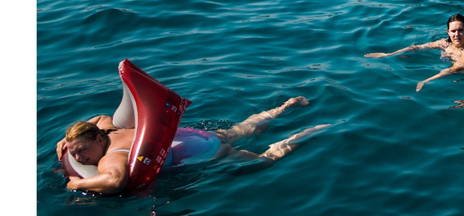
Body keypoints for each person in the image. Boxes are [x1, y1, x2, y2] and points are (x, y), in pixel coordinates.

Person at [56, 96, 328, 194]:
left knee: (263, 160)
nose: (79, 157)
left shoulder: (109, 158)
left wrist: (76, 184)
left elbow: (115, 181)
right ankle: (285, 106)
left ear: (98, 139)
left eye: (81, 150)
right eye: (74, 151)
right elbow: (93, 119)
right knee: (242, 129)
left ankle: (307, 134)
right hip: (193, 135)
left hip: (205, 152)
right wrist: (66, 142)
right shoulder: (105, 125)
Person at [365, 14, 464, 92]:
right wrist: (389, 54)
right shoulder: (445, 43)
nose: (456, 35)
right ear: (448, 32)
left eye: (460, 30)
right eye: (453, 31)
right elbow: (417, 47)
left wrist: (426, 80)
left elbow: (456, 68)